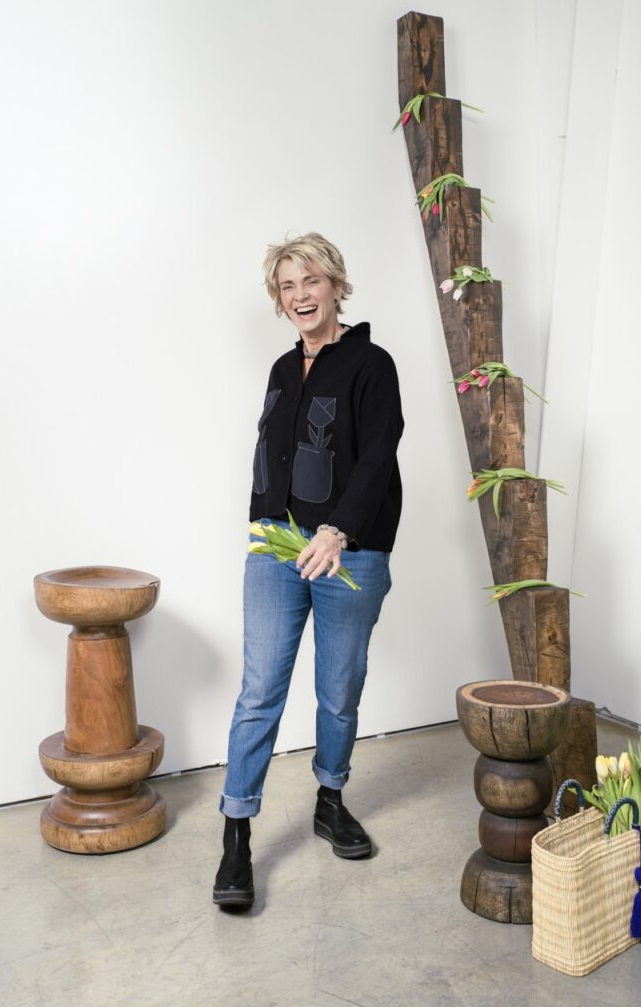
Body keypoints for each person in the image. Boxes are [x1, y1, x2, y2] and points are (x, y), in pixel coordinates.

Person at [213, 233, 404, 908]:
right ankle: (236, 834)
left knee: (337, 689)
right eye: (287, 286)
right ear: (279, 298)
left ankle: (329, 799)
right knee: (259, 687)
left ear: (334, 284)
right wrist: (261, 521)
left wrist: (337, 529)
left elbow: (378, 456)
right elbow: (270, 451)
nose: (299, 294)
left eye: (310, 280)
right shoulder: (279, 367)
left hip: (349, 550)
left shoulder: (371, 364)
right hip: (276, 547)